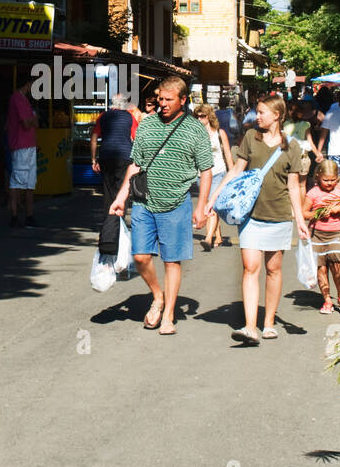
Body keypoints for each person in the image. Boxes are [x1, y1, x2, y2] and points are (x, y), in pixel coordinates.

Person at [108, 76, 213, 335]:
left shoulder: (195, 129)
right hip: (144, 201)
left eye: (168, 100)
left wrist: (201, 207)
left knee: (171, 261)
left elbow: (207, 170)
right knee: (141, 257)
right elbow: (135, 165)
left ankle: (168, 316)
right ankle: (158, 295)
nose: (162, 104)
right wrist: (121, 197)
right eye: (160, 99)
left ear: (183, 100)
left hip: (177, 202)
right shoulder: (146, 125)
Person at [208, 97, 308, 343]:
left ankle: (269, 322)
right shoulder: (251, 137)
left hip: (279, 215)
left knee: (273, 269)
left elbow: (294, 186)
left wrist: (300, 218)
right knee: (250, 267)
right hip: (250, 214)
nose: (257, 117)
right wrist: (214, 197)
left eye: (262, 112)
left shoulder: (291, 146)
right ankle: (250, 327)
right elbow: (236, 170)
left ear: (277, 115)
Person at [303, 159, 340, 313]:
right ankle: (326, 300)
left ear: (337, 178)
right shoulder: (313, 193)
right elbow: (304, 213)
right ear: (318, 176)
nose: (329, 183)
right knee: (321, 268)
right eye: (326, 180)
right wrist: (317, 214)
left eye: (333, 180)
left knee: (336, 265)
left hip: (334, 233)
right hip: (317, 233)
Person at [92, 93, 139, 255]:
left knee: (108, 192)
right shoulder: (129, 117)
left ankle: (107, 227)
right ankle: (117, 226)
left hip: (106, 157)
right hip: (124, 157)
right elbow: (136, 136)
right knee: (122, 192)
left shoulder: (103, 116)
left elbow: (94, 137)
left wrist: (93, 159)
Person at [194, 104, 234, 250]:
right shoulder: (195, 134)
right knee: (209, 205)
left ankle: (208, 238)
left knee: (211, 205)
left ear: (209, 116)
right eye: (197, 116)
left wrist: (232, 174)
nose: (199, 119)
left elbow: (228, 154)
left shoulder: (219, 133)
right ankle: (218, 236)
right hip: (201, 174)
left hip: (218, 172)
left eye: (202, 116)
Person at [7, 72, 40, 227]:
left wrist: (33, 120)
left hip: (28, 145)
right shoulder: (18, 99)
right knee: (19, 181)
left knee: (29, 182)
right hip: (21, 145)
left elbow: (33, 122)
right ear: (27, 83)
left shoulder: (23, 99)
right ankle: (17, 215)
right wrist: (33, 119)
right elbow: (28, 123)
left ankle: (28, 215)